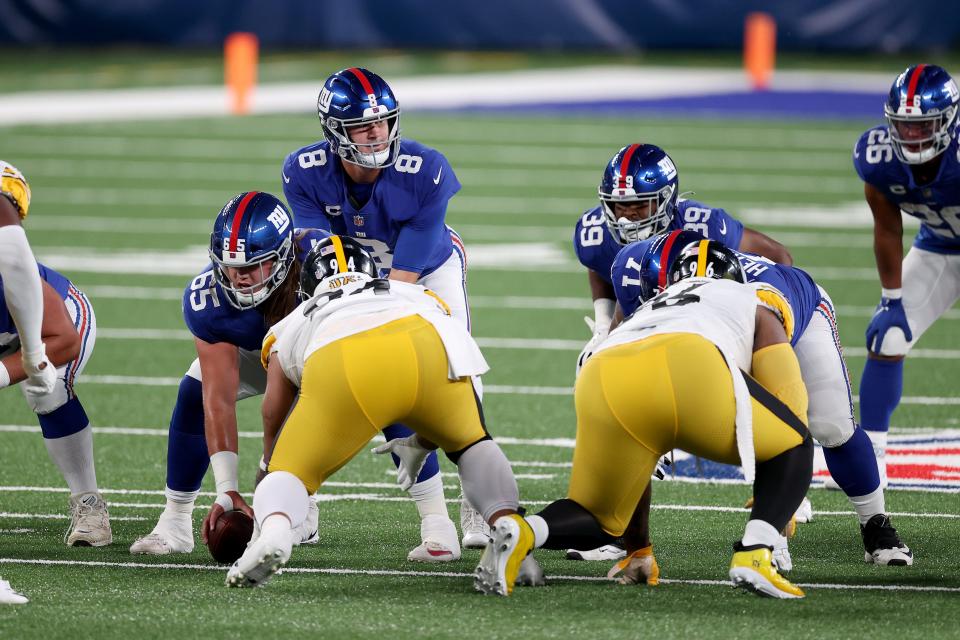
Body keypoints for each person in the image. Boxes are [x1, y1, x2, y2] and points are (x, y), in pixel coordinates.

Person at [130, 192, 461, 562]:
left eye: (254, 267)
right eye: (229, 267)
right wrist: (228, 489)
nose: (239, 279)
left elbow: (298, 392)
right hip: (263, 350)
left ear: (286, 257)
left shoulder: (322, 261)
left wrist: (268, 470)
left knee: (389, 396)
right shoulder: (208, 298)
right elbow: (218, 397)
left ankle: (436, 522)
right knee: (193, 391)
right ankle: (174, 520)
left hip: (327, 349)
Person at [476, 241, 813, 599]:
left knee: (600, 516)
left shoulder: (649, 306)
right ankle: (754, 555)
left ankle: (525, 530)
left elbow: (640, 470)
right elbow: (790, 405)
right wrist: (781, 499)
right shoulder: (752, 302)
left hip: (603, 369)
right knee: (796, 443)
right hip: (688, 361)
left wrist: (639, 549)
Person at [226, 236, 521, 587]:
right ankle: (506, 522)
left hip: (345, 356)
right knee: (473, 444)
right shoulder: (411, 291)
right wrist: (422, 444)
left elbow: (272, 411)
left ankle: (274, 536)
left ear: (306, 290)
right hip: (427, 338)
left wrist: (272, 472)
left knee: (288, 473)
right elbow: (450, 345)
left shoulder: (296, 320)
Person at [609, 230, 912, 569]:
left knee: (830, 425)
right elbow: (620, 340)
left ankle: (875, 525)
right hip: (718, 325)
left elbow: (782, 413)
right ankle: (616, 529)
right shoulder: (633, 273)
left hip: (799, 316)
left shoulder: (751, 307)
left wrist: (776, 515)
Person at [281, 67, 487, 548]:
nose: (377, 133)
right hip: (344, 276)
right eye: (363, 125)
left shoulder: (427, 170)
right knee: (305, 370)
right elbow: (317, 254)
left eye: (383, 122)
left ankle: (474, 503)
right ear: (334, 131)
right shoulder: (305, 170)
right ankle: (300, 497)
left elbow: (402, 283)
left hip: (425, 271)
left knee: (461, 376)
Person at [569, 143, 792, 561]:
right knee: (601, 381)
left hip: (712, 329)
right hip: (651, 323)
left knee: (765, 414)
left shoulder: (700, 223)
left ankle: (781, 500)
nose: (624, 217)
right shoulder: (596, 232)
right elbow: (601, 266)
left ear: (666, 199)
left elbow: (777, 256)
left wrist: (766, 321)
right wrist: (602, 327)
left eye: (637, 207)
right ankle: (619, 527)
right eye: (616, 207)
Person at [853, 64, 960, 487]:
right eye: (905, 126)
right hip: (941, 248)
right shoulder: (880, 160)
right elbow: (887, 227)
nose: (913, 136)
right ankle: (872, 456)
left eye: (924, 126)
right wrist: (891, 297)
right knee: (887, 336)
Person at [0, 162, 111, 553]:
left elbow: (62, 340)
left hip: (58, 324)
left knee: (46, 390)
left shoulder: (14, 265)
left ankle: (89, 503)